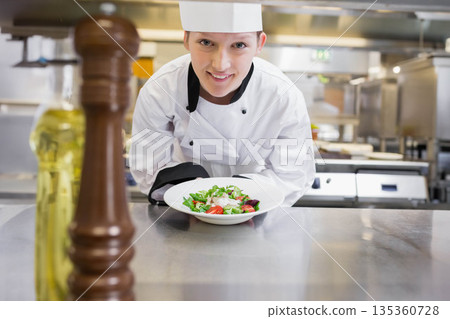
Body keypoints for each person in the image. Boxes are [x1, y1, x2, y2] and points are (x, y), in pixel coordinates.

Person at [130, 1, 315, 206]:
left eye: (239, 45)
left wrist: (236, 200)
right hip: (182, 211)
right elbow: (148, 169)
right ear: (186, 39)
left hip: (258, 213)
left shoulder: (283, 95)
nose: (220, 64)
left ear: (259, 44)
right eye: (206, 43)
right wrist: (195, 195)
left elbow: (293, 176)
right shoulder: (161, 89)